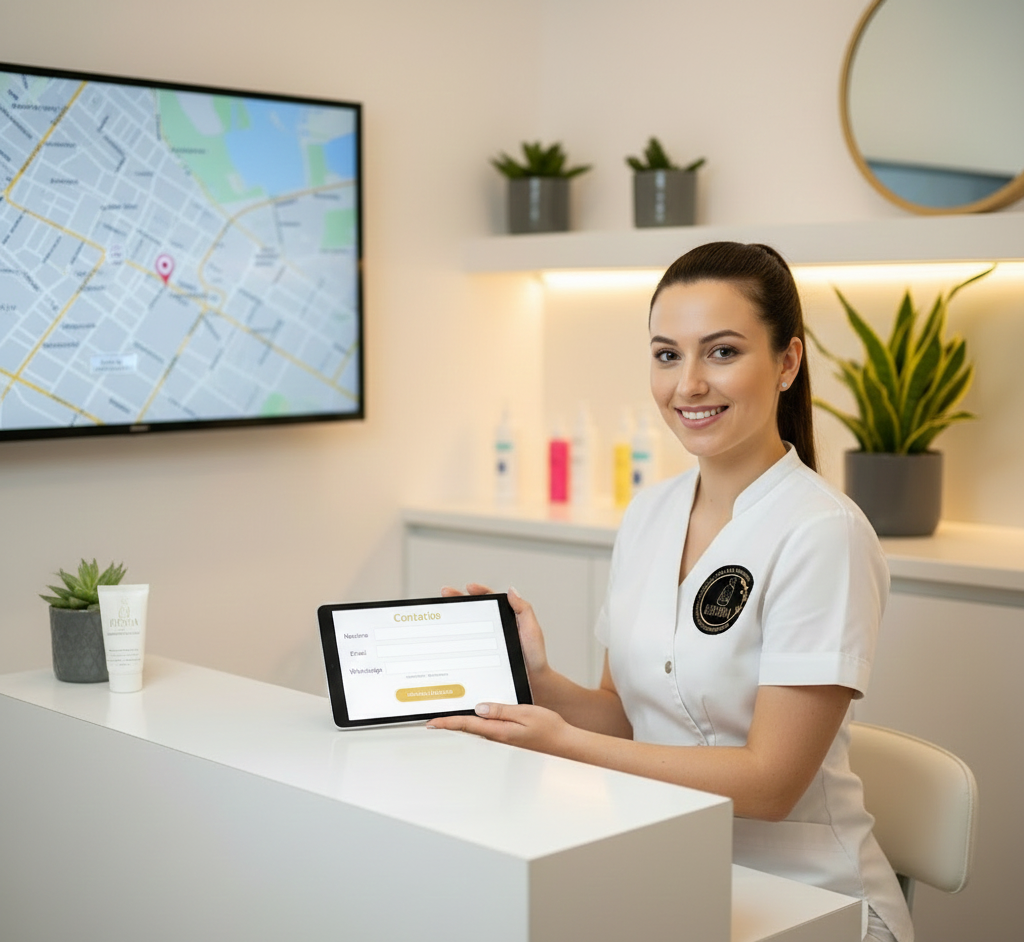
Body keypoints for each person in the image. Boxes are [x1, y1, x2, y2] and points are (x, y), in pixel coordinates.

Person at [428, 242, 912, 942]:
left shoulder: (823, 533)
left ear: (787, 362)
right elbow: (630, 719)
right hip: (670, 871)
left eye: (721, 352)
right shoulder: (650, 514)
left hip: (808, 903)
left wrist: (562, 745)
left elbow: (772, 785)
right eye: (665, 355)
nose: (687, 384)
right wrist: (541, 682)